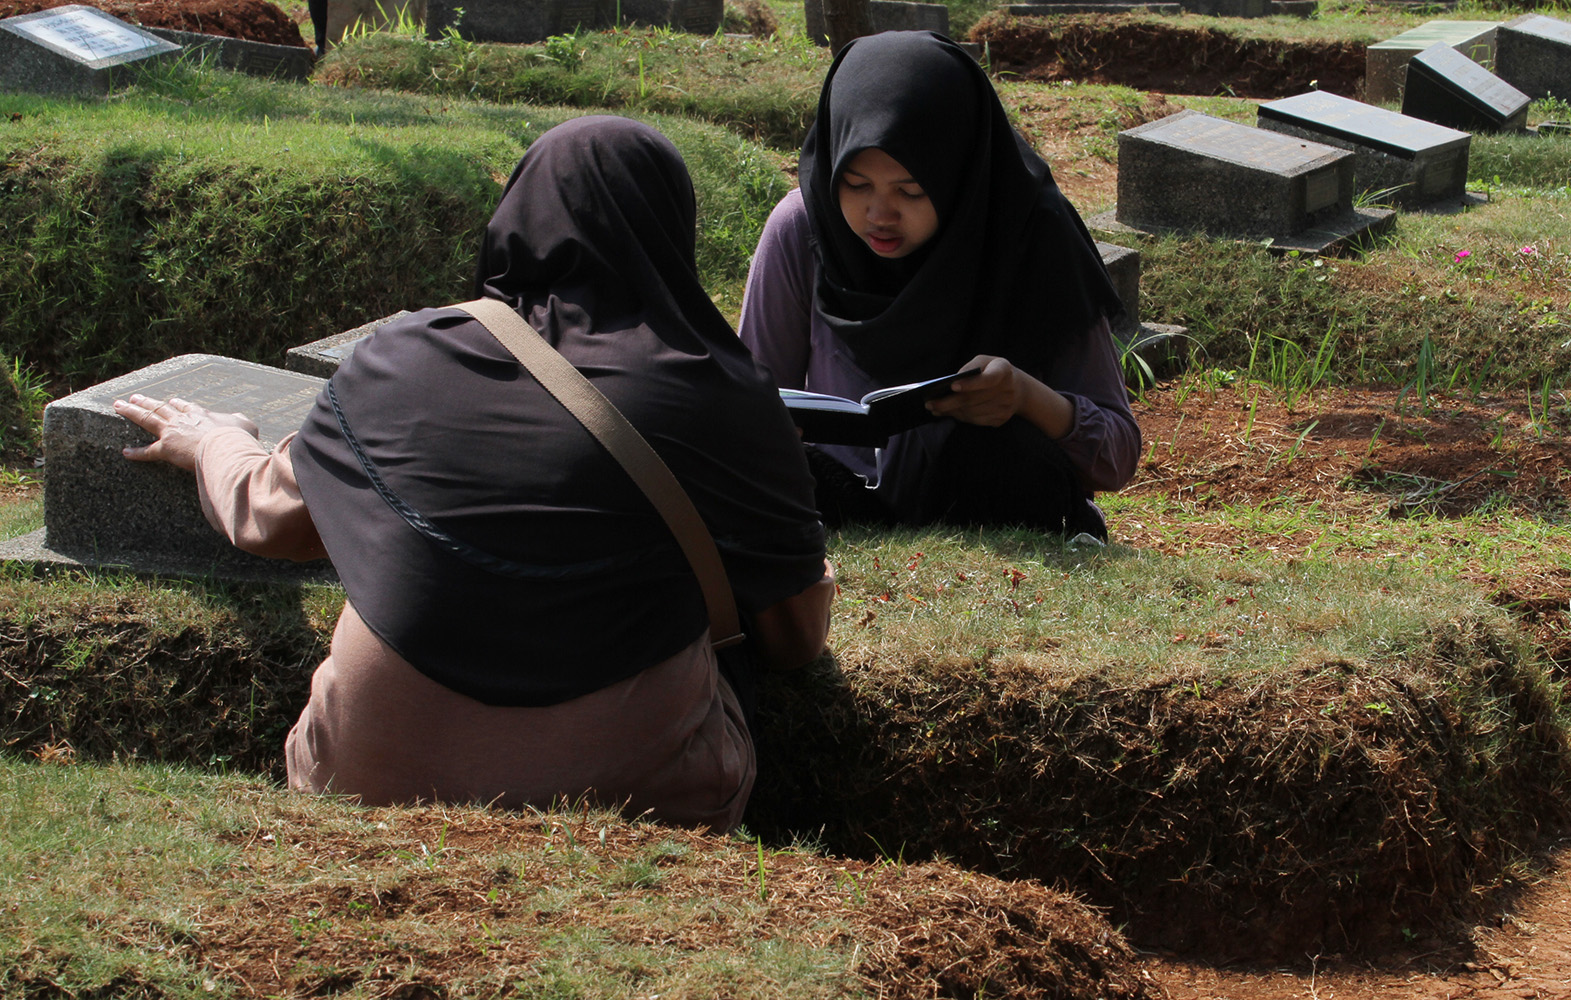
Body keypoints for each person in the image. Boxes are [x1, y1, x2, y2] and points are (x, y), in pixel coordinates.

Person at [114, 116, 834, 831]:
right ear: (672, 230)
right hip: (638, 798)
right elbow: (794, 641)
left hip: (365, 778)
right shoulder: (720, 392)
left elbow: (265, 518)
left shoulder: (398, 358)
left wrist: (208, 438)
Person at [738, 30, 1140, 537]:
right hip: (843, 500)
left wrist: (1024, 397)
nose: (879, 214)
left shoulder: (1030, 236)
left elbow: (1118, 454)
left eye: (910, 190)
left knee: (995, 454)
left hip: (990, 499)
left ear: (960, 174)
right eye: (856, 184)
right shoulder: (804, 227)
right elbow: (743, 406)